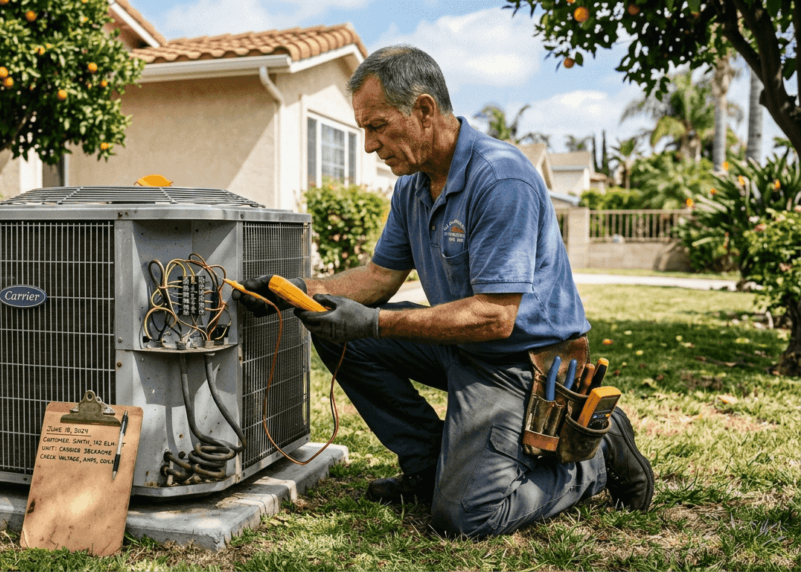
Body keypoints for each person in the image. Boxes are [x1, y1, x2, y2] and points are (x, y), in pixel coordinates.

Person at [234, 45, 654, 537]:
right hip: (462, 346)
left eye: (377, 126)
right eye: (363, 129)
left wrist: (375, 322)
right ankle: (428, 467)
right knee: (331, 326)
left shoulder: (501, 177)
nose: (369, 145)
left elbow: (496, 317)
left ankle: (596, 459)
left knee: (465, 518)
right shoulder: (412, 186)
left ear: (425, 110)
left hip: (521, 365)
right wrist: (299, 292)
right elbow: (379, 278)